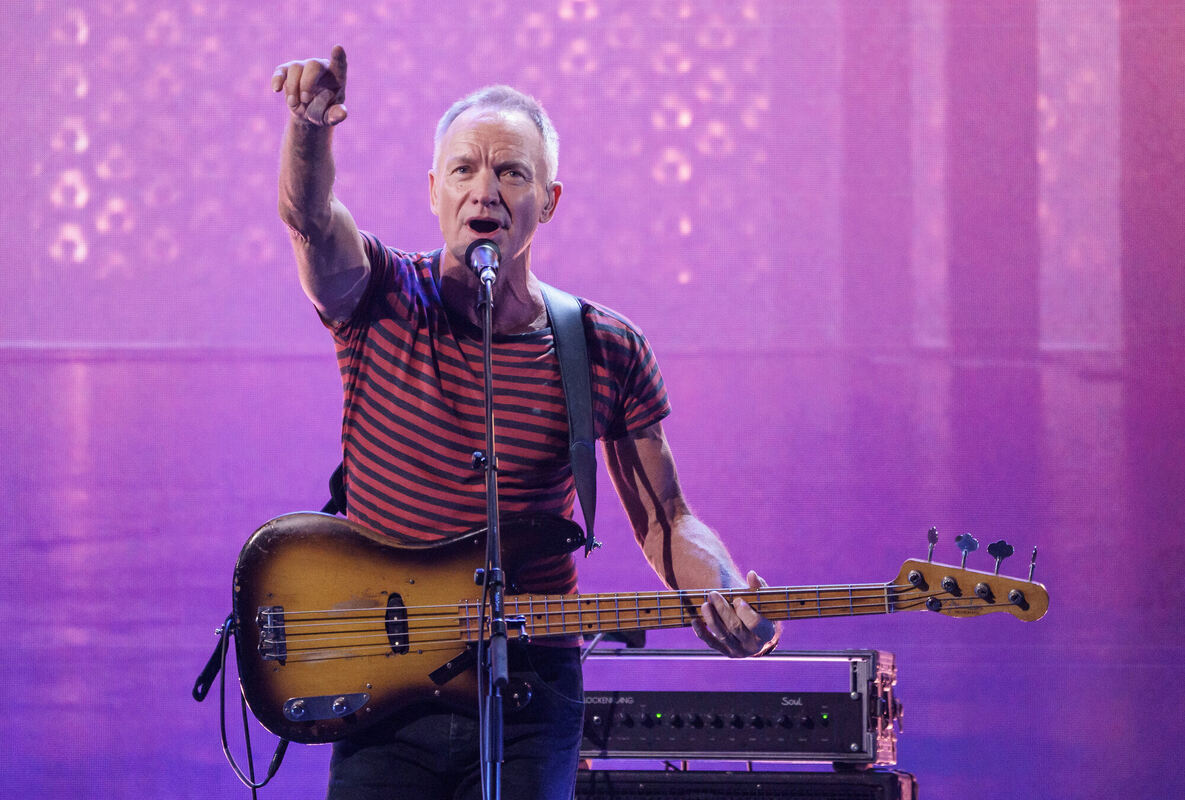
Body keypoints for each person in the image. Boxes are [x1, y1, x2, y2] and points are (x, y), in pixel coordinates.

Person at [271, 44, 779, 800]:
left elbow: (666, 519)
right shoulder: (382, 296)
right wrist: (309, 129)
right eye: (463, 170)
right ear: (434, 192)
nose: (485, 191)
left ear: (549, 200)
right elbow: (311, 222)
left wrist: (727, 591)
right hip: (383, 688)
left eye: (511, 172)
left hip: (531, 691)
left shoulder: (602, 345)